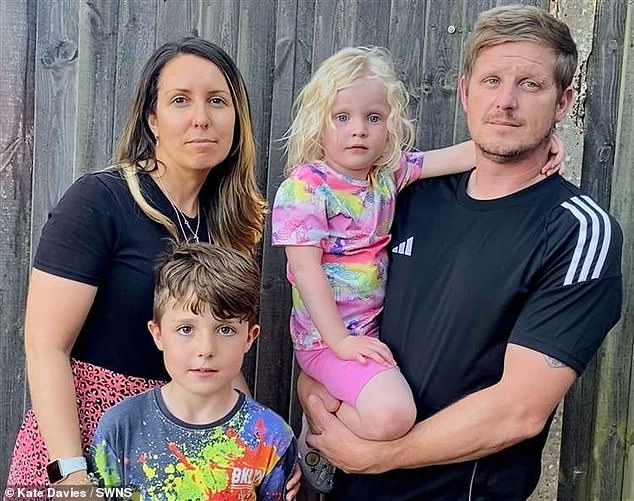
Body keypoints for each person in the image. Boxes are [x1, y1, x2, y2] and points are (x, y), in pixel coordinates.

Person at [299, 6, 623, 501]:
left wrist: (377, 457)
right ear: (467, 92)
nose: (506, 102)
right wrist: (311, 394)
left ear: (564, 102)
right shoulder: (403, 198)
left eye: (530, 85)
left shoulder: (575, 231)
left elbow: (519, 410)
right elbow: (333, 304)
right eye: (492, 81)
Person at [7, 37, 302, 497]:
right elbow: (45, 344)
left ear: (236, 119)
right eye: (180, 100)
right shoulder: (100, 202)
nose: (201, 117)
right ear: (152, 119)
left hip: (180, 457)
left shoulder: (226, 227)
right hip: (87, 444)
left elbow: (221, 345)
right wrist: (72, 476)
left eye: (217, 101)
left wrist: (258, 446)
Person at [272, 46, 562, 493]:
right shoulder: (306, 188)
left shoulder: (387, 175)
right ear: (319, 122)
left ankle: (322, 422)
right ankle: (320, 434)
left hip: (364, 339)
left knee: (390, 412)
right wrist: (340, 342)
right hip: (327, 340)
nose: (358, 131)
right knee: (394, 416)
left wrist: (544, 142)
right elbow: (306, 273)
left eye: (373, 117)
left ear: (390, 124)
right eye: (342, 117)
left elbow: (466, 154)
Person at [89, 242, 297, 499]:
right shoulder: (120, 427)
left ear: (249, 338)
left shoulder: (271, 438)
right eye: (186, 329)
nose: (206, 349)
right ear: (158, 334)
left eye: (225, 329)